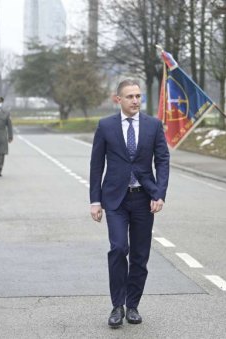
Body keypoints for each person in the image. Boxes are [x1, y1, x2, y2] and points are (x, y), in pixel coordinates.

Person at [89, 79, 170, 328]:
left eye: (138, 96)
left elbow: (163, 160)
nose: (135, 100)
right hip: (115, 199)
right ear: (118, 100)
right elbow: (96, 165)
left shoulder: (153, 125)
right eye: (130, 96)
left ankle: (132, 305)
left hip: (143, 198)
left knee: (139, 255)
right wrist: (95, 200)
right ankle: (117, 305)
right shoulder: (105, 126)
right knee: (118, 248)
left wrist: (159, 194)